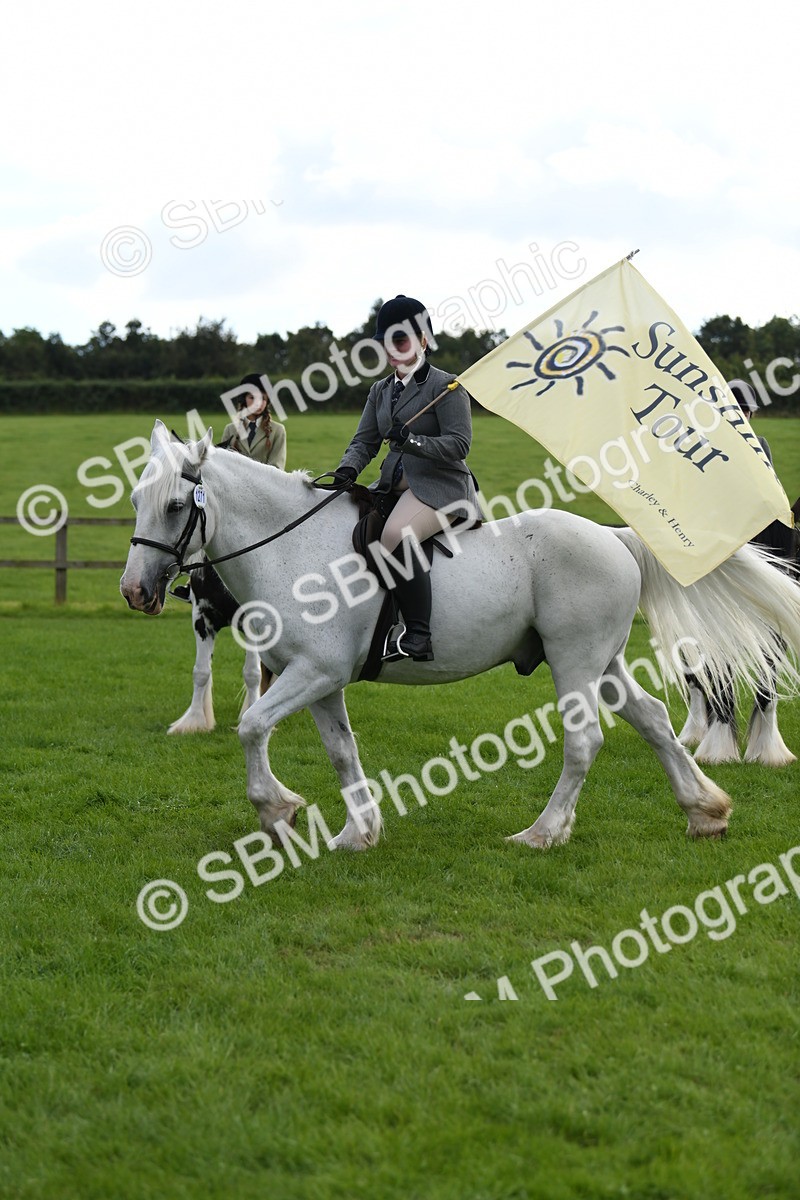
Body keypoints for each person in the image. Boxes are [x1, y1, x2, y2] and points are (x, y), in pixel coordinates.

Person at [332, 294, 480, 662]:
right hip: (391, 489)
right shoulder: (380, 391)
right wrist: (347, 469)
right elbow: (364, 441)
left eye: (400, 341)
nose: (393, 350)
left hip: (440, 490)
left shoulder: (447, 387)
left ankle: (418, 633)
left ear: (423, 340)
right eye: (387, 343)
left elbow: (459, 445)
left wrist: (412, 441)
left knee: (396, 534)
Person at [221, 373, 287, 469]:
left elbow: (277, 468)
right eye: (252, 397)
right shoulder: (230, 429)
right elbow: (223, 464)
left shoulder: (278, 431)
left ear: (267, 401)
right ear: (244, 399)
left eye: (262, 398)